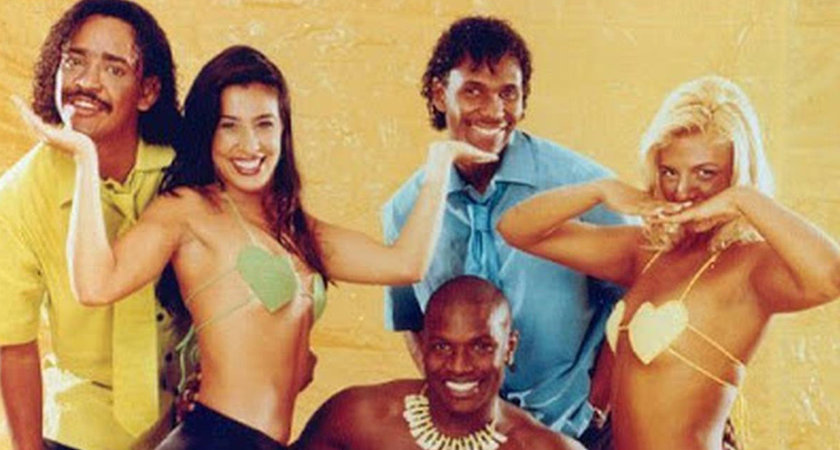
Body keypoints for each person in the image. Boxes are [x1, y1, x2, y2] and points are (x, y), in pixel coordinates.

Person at [16, 44, 494, 449]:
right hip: (212, 437)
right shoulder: (189, 211)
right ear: (208, 135)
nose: (250, 145)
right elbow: (96, 285)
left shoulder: (297, 230)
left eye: (264, 124)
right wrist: (84, 157)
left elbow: (405, 263)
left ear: (283, 131)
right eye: (229, 126)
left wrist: (440, 163)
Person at [496, 75, 840, 450]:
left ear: (737, 172)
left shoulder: (749, 267)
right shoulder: (646, 253)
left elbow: (831, 276)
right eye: (670, 172)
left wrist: (744, 198)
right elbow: (516, 229)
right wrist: (601, 190)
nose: (681, 190)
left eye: (706, 173)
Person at [382, 16, 627, 445]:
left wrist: (598, 400)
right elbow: (412, 320)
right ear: (440, 94)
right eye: (473, 90)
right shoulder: (406, 210)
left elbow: (637, 296)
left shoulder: (582, 188)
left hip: (577, 428)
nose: (494, 110)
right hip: (476, 437)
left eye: (508, 93)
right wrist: (455, 403)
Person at [0, 0, 182, 448]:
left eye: (114, 69)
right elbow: (14, 345)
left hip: (188, 415)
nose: (86, 82)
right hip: (80, 420)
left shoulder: (186, 170)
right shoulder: (18, 194)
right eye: (74, 61)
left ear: (148, 91)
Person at [295, 276, 584, 450]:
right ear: (422, 345)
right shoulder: (357, 417)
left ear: (509, 347)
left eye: (481, 347)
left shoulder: (544, 447)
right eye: (442, 347)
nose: (459, 366)